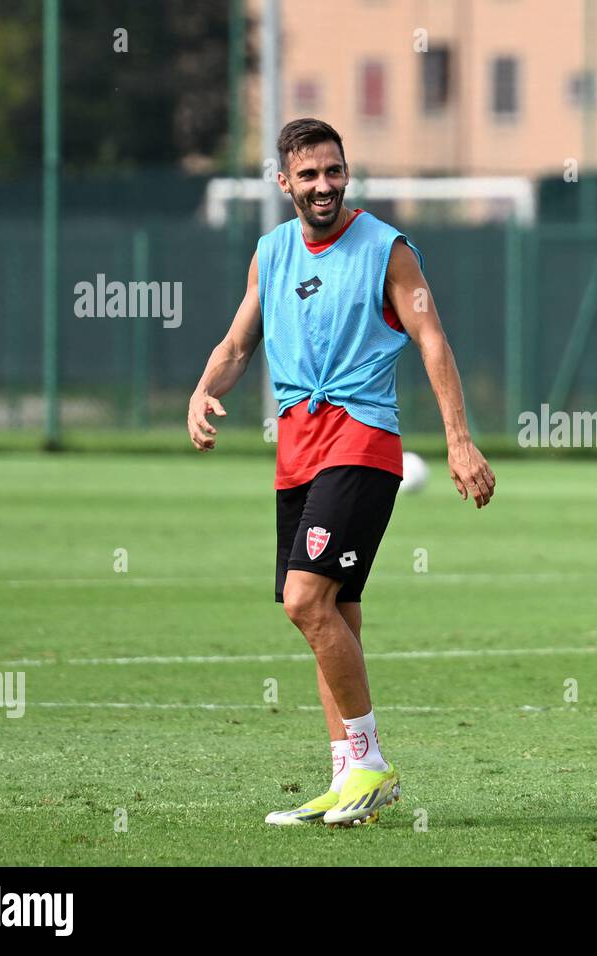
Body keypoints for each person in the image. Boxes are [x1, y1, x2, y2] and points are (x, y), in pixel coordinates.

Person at [186, 118, 495, 827]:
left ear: (345, 173)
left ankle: (372, 764)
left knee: (305, 600)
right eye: (309, 175)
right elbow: (238, 344)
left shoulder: (388, 249)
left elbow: (432, 340)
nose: (323, 186)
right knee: (332, 612)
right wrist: (205, 390)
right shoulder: (271, 253)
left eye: (334, 171)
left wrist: (458, 441)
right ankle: (346, 777)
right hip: (296, 450)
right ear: (284, 182)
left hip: (360, 443)